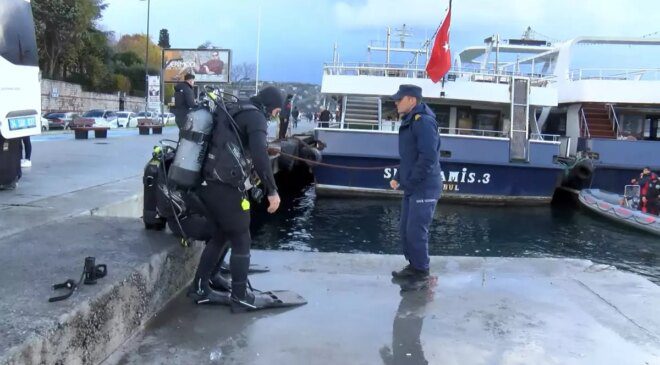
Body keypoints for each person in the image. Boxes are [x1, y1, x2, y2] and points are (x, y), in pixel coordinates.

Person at [189, 86, 283, 312]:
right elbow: (260, 156)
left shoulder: (236, 107)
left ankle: (203, 286)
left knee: (221, 235)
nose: (275, 116)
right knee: (241, 237)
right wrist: (272, 190)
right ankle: (240, 297)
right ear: (271, 106)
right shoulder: (257, 117)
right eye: (277, 111)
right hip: (225, 185)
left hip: (207, 181)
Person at [389, 84, 442, 284]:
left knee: (416, 231)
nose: (395, 102)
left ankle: (421, 272)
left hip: (424, 186)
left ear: (411, 100)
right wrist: (398, 176)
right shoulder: (412, 120)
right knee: (405, 230)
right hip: (413, 186)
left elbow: (428, 157)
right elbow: (409, 157)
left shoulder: (423, 122)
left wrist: (410, 182)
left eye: (399, 99)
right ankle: (414, 265)